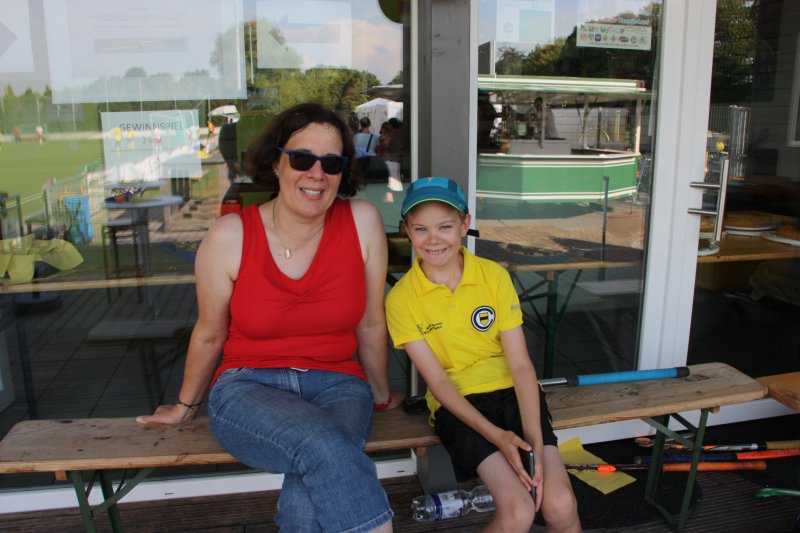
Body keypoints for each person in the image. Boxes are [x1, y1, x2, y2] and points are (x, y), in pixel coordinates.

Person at [137, 102, 401, 532]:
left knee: (315, 478)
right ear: (276, 163)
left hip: (339, 384)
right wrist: (185, 407)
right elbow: (209, 333)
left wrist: (380, 394)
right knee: (326, 445)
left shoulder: (362, 221)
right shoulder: (230, 235)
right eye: (302, 159)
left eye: (332, 163)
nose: (317, 174)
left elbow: (370, 323)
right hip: (248, 387)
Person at [385, 177, 581, 533]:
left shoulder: (493, 276)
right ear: (407, 231)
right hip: (458, 405)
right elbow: (438, 382)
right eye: (421, 229)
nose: (433, 239)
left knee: (560, 503)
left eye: (445, 227)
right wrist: (497, 436)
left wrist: (535, 444)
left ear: (465, 224)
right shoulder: (401, 299)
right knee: (519, 511)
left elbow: (520, 365)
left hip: (514, 394)